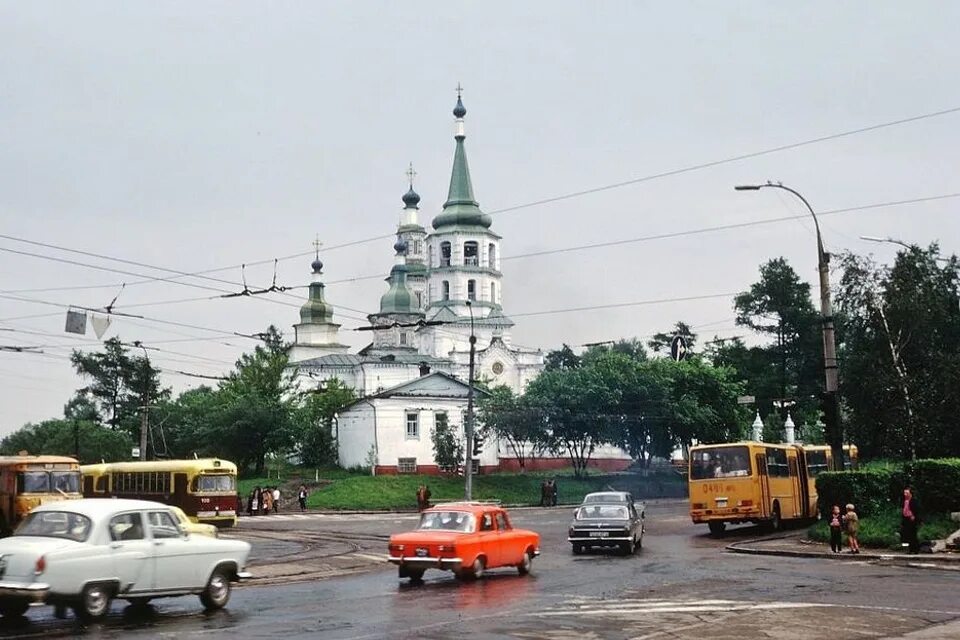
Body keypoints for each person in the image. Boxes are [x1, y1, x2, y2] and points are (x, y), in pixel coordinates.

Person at [901, 487, 921, 553]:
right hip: (905, 518)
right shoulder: (904, 501)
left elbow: (916, 510)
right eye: (904, 493)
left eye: (907, 493)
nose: (905, 494)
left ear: (910, 494)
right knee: (907, 534)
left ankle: (915, 549)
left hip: (912, 518)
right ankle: (910, 549)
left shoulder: (914, 500)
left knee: (913, 534)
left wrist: (913, 516)